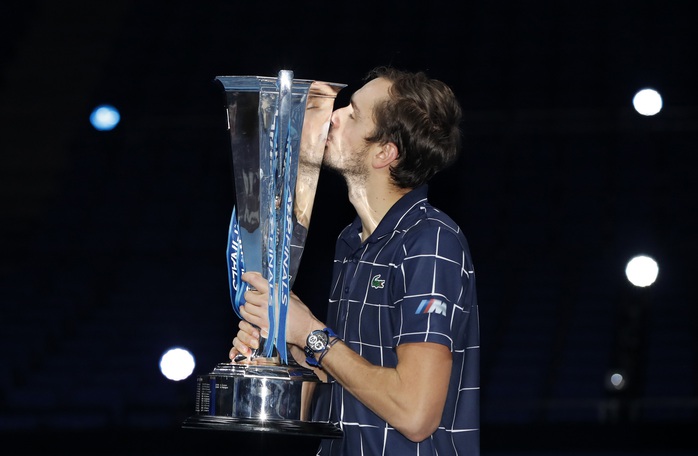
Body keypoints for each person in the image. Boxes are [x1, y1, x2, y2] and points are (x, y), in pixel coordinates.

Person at [229, 66, 479, 456]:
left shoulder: (430, 242)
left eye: (353, 113)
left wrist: (311, 332)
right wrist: (283, 349)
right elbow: (341, 393)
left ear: (385, 152)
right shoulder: (352, 242)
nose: (334, 115)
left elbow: (415, 414)